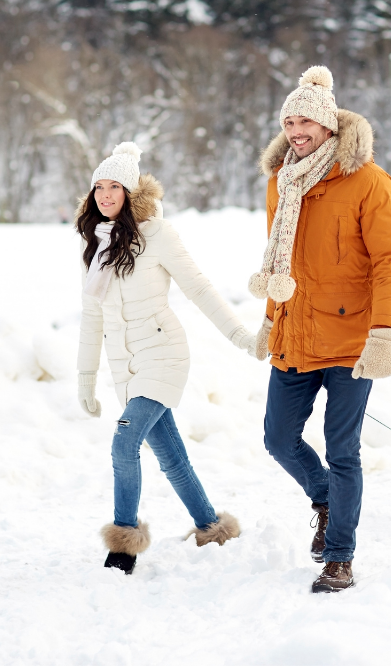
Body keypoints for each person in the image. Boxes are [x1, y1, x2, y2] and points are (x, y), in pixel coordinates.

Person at [248, 65, 391, 593]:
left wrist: (384, 333)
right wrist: (270, 321)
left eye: (305, 122)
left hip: (351, 342)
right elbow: (279, 261)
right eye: (288, 120)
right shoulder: (281, 182)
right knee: (277, 438)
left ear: (329, 125)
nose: (296, 130)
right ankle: (324, 497)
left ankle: (339, 555)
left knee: (343, 450)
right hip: (295, 335)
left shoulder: (367, 181)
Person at [76, 142, 257, 574]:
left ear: (131, 192)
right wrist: (86, 377)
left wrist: (240, 336)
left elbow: (199, 288)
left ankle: (122, 547)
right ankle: (211, 527)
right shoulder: (96, 245)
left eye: (114, 186)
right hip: (125, 367)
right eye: (98, 187)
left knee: (124, 441)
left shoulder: (158, 234)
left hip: (163, 355)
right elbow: (91, 316)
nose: (104, 195)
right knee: (172, 458)